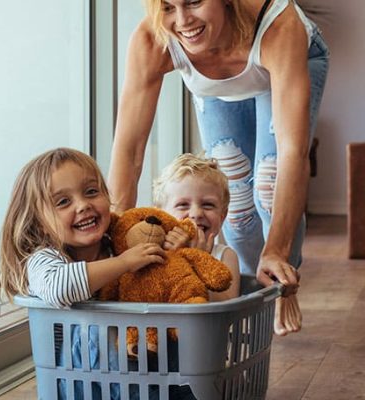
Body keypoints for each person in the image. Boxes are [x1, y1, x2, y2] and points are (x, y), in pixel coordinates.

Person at [108, 0, 329, 335]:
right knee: (235, 206)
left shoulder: (277, 24)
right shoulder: (153, 38)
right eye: (168, 7)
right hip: (219, 89)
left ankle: (282, 279)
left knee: (268, 186)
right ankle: (251, 291)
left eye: (194, 2)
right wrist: (113, 247)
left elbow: (292, 153)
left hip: (285, 59)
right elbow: (129, 150)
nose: (182, 21)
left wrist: (277, 251)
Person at [0, 147, 166, 400]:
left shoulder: (116, 246)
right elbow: (59, 288)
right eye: (63, 202)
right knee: (93, 326)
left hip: (136, 371)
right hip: (74, 384)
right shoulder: (44, 259)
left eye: (91, 192)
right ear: (39, 224)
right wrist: (124, 263)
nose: (83, 205)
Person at [153, 153, 240, 300]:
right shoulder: (154, 250)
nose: (196, 214)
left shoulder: (225, 256)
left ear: (222, 216)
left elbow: (226, 305)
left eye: (208, 205)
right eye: (183, 205)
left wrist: (199, 260)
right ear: (161, 215)